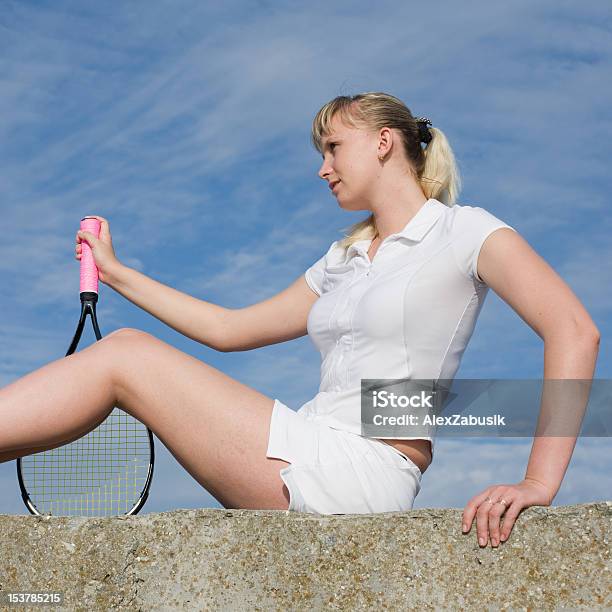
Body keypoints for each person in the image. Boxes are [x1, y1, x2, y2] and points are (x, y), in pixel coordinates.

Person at [0, 92, 599, 548]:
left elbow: (574, 331)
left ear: (384, 141)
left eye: (334, 148)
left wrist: (537, 484)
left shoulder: (463, 230)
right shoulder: (341, 259)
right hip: (310, 445)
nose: (323, 168)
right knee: (128, 353)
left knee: (127, 353)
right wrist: (116, 272)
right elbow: (230, 330)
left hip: (365, 471)